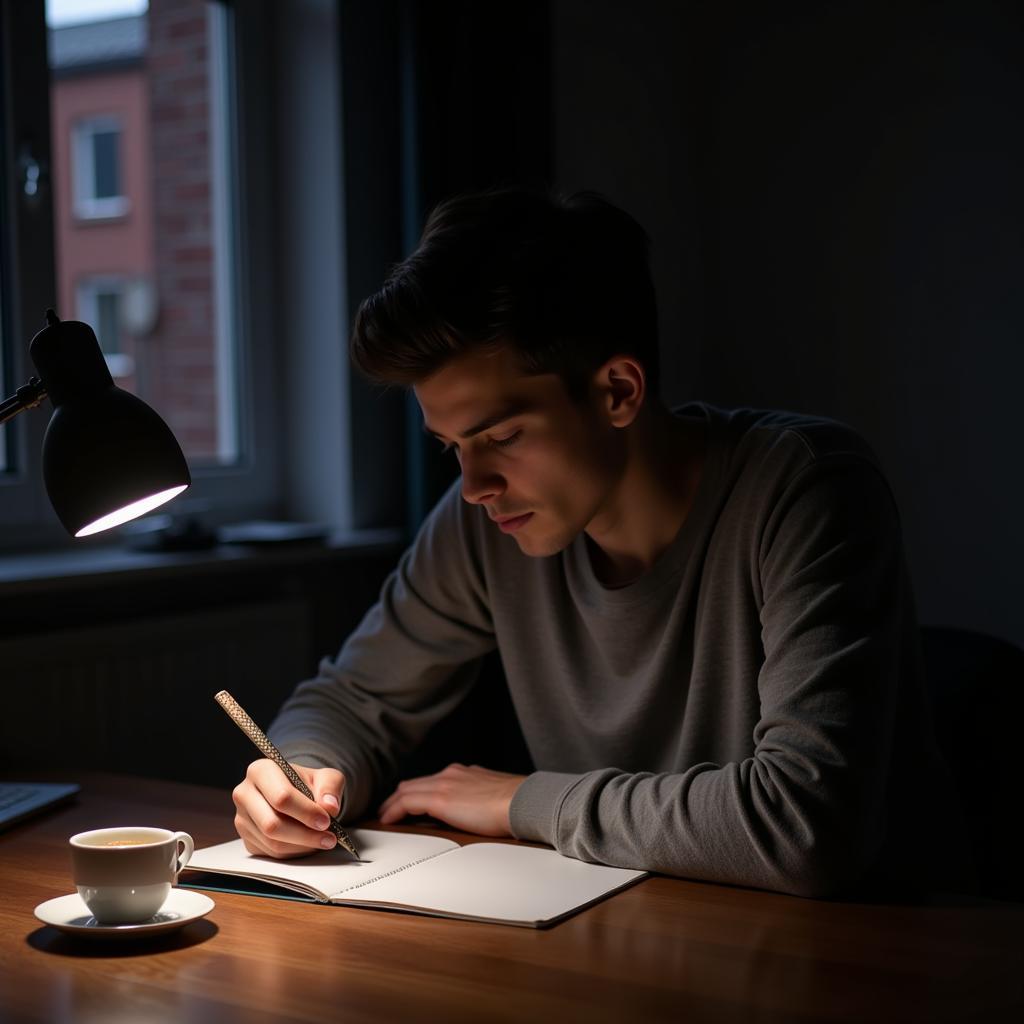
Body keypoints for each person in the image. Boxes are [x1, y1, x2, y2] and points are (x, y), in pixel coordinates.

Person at [231, 186, 963, 898]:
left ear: (618, 391)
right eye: (451, 445)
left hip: (865, 954)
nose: (475, 482)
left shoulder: (805, 488)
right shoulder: (484, 517)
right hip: (633, 933)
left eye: (503, 436)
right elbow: (352, 700)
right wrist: (299, 772)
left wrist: (526, 802)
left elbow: (807, 825)